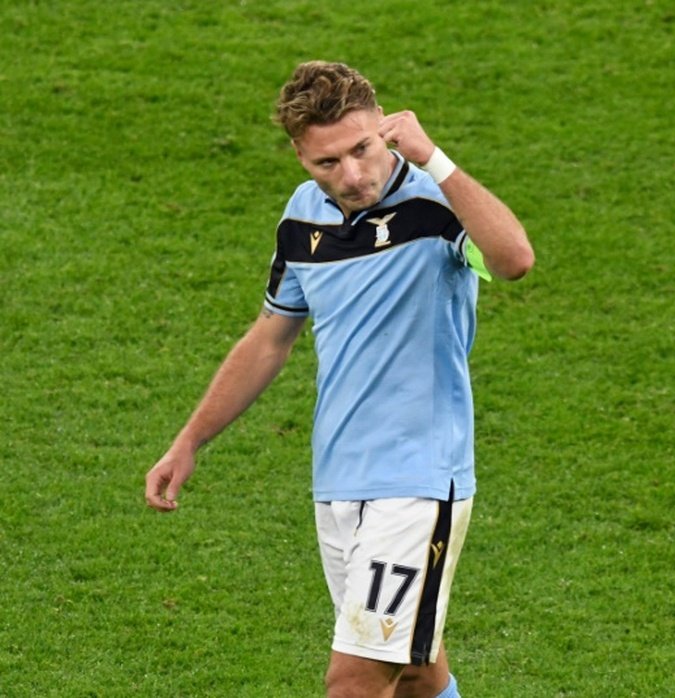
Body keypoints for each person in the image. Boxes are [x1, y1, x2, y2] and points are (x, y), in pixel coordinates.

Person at [144, 60, 534, 698]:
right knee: (413, 670)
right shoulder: (303, 218)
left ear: (385, 129)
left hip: (417, 481)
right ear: (300, 155)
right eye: (329, 162)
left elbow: (514, 260)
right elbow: (271, 336)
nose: (353, 176)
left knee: (353, 681)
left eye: (362, 149)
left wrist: (435, 160)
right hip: (338, 480)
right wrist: (189, 441)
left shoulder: (437, 206)